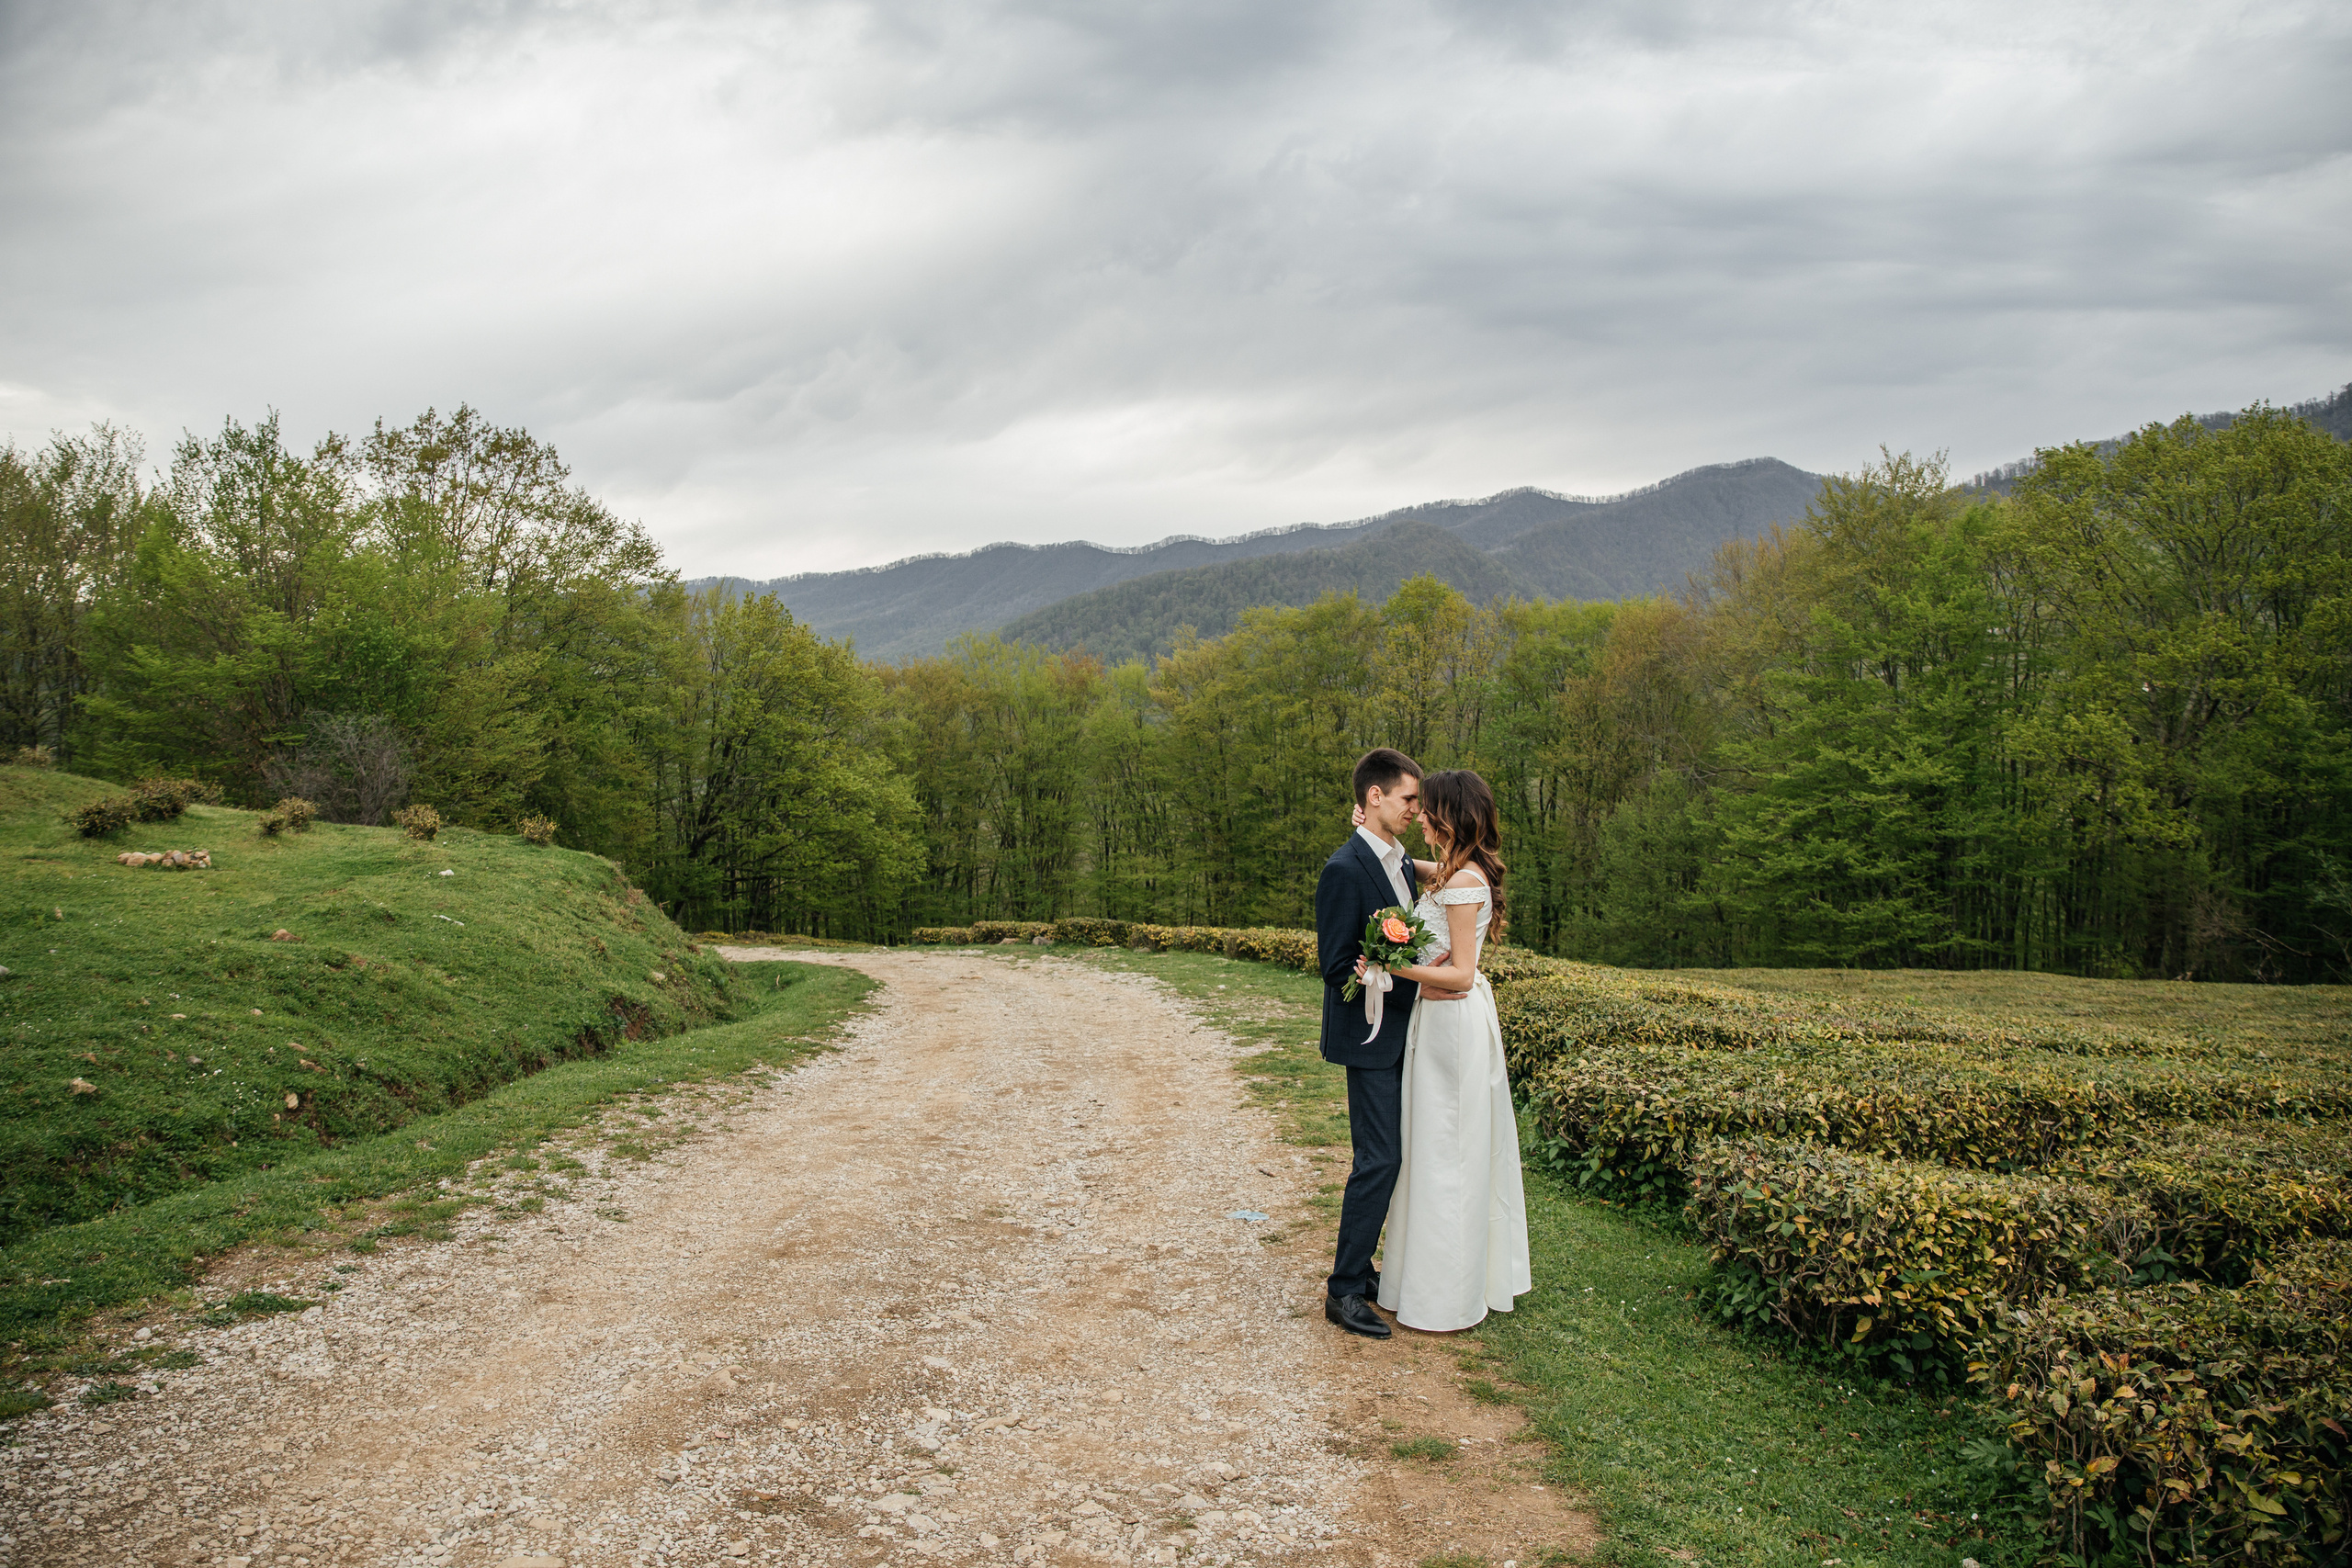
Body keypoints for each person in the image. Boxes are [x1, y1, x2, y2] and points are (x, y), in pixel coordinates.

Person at [1352, 768, 1532, 1332]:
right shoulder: (1453, 871)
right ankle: (1424, 1276)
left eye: (1428, 809)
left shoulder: (1464, 882)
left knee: (1447, 1151)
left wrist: (1387, 966)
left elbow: (1459, 973)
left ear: (1449, 815)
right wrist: (1370, 834)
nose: (1420, 815)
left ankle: (1446, 1293)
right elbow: (1410, 869)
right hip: (1440, 1021)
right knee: (1432, 1148)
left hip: (1452, 1025)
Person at [1315, 747, 1471, 1339]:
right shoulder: (1344, 869)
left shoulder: (1399, 860)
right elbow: (1334, 966)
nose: (1416, 809)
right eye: (1408, 799)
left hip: (1412, 1035)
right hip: (1371, 1036)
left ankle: (1368, 1268)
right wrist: (1393, 962)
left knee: (1401, 1157)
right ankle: (1344, 1289)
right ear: (1374, 798)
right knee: (1379, 1159)